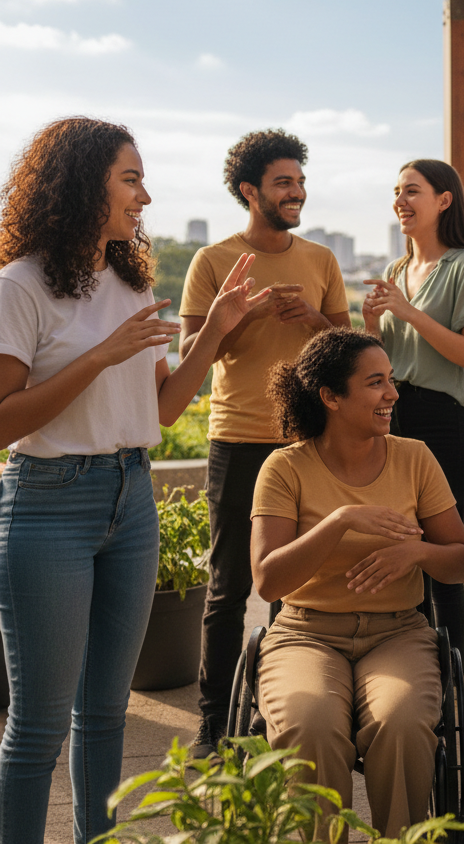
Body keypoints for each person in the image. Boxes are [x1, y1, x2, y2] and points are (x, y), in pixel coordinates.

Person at [0, 117, 270, 844]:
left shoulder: (126, 280)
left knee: (107, 712)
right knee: (39, 725)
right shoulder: (19, 286)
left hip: (132, 497)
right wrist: (97, 357)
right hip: (47, 504)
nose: (145, 196)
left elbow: (163, 409)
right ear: (84, 185)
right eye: (131, 179)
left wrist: (214, 330)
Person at [250, 327, 464, 837]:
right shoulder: (284, 469)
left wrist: (418, 553)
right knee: (309, 725)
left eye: (390, 380)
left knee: (401, 723)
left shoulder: (414, 457)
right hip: (305, 633)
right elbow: (267, 581)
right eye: (376, 383)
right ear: (331, 397)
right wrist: (342, 520)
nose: (392, 394)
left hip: (399, 632)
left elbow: (461, 562)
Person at [179, 128, 351, 756]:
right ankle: (211, 725)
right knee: (227, 589)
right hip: (237, 438)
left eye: (300, 182)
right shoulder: (214, 261)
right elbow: (193, 354)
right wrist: (244, 313)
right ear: (250, 190)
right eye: (284, 182)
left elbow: (345, 345)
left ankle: (273, 715)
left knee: (293, 590)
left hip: (305, 444)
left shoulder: (321, 260)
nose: (296, 192)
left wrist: (312, 320)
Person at [361, 159, 464, 664]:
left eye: (412, 190)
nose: (400, 200)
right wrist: (372, 323)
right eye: (396, 191)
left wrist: (407, 311)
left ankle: (451, 677)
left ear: (443, 200)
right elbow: (385, 362)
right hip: (393, 420)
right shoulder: (397, 271)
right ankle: (412, 666)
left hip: (444, 421)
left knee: (441, 555)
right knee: (401, 546)